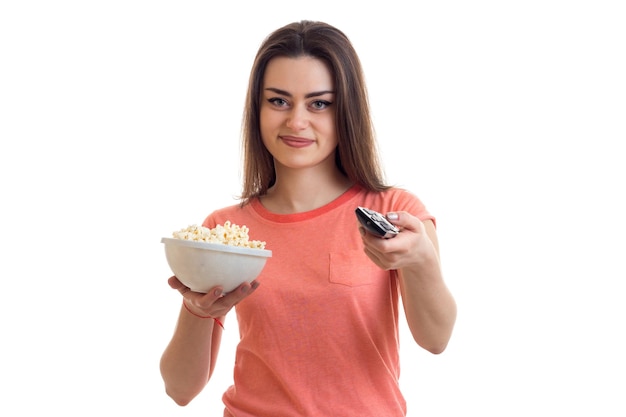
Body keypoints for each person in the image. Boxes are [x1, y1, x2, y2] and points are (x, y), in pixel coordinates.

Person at [160, 20, 457, 417]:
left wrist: (420, 259)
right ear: (257, 108)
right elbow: (180, 389)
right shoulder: (225, 232)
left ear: (346, 110)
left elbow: (436, 340)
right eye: (278, 101)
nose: (296, 122)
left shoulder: (398, 214)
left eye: (319, 103)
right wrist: (199, 310)